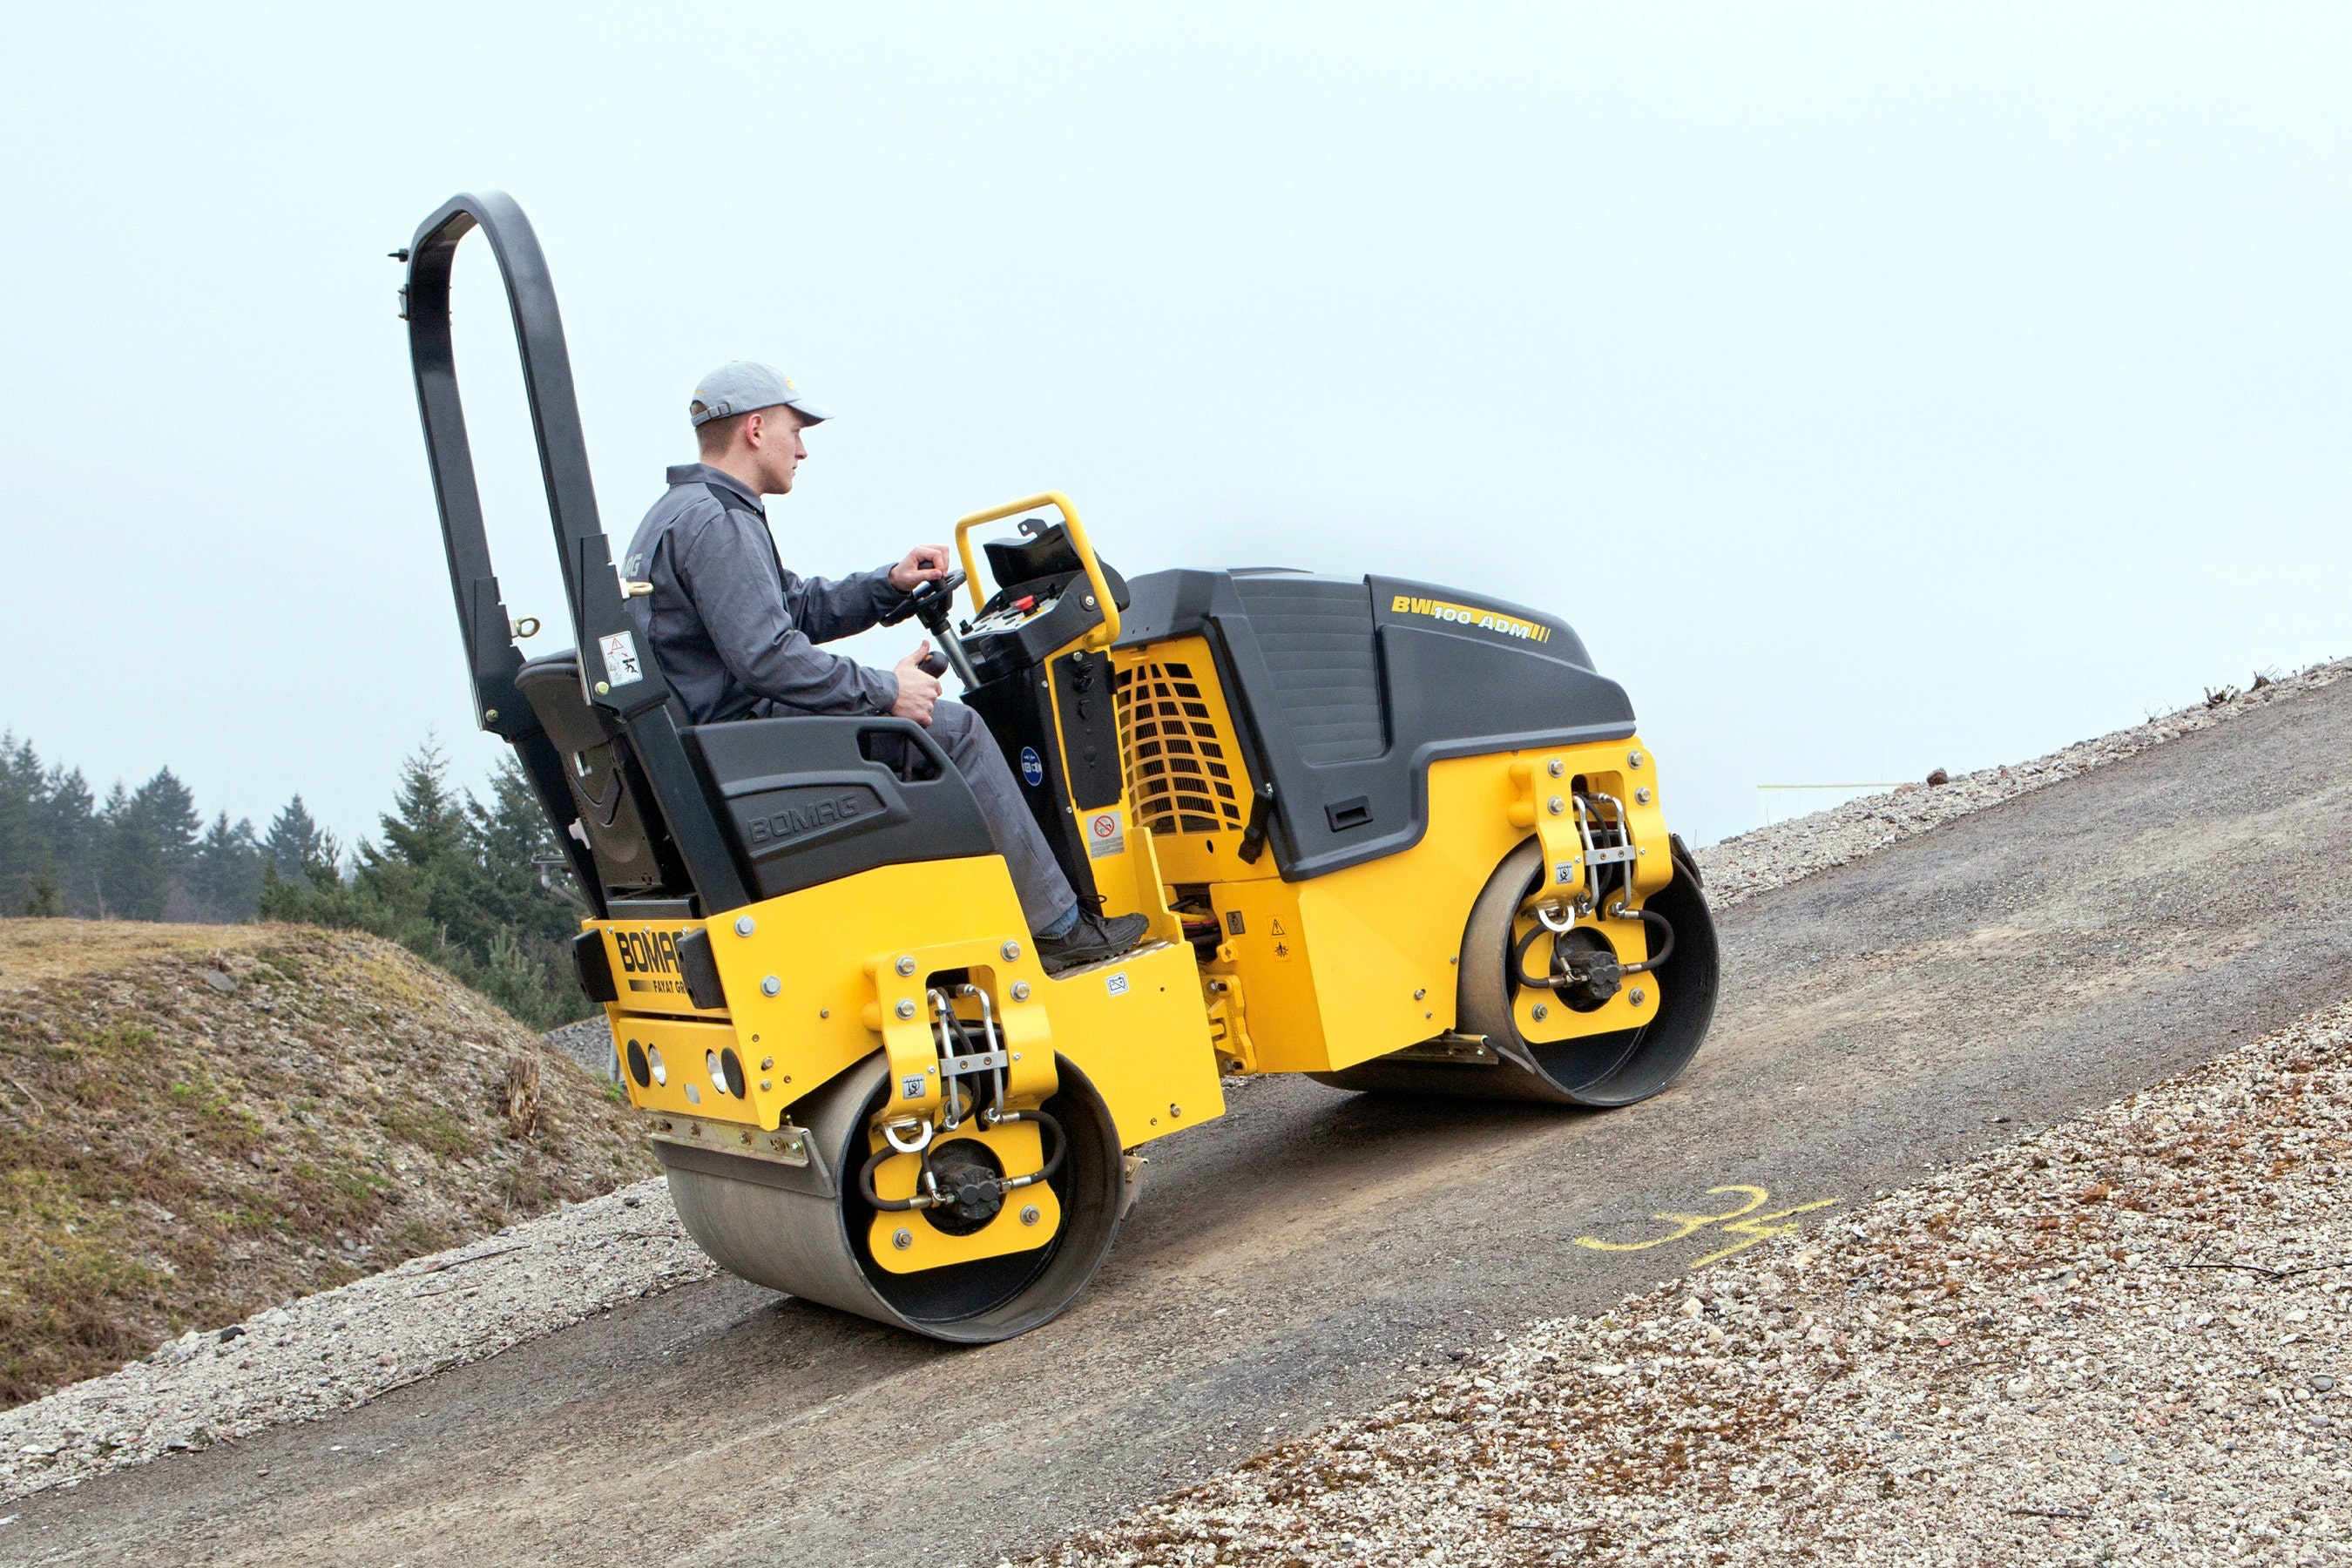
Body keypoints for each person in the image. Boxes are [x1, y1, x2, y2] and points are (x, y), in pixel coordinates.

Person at [620, 361, 1147, 974]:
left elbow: (793, 608)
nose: (804, 450)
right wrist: (884, 693)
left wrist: (888, 585)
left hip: (719, 739)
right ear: (757, 429)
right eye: (796, 431)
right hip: (744, 745)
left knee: (921, 717)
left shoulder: (683, 512)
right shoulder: (719, 522)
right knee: (956, 731)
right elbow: (766, 655)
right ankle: (1058, 927)